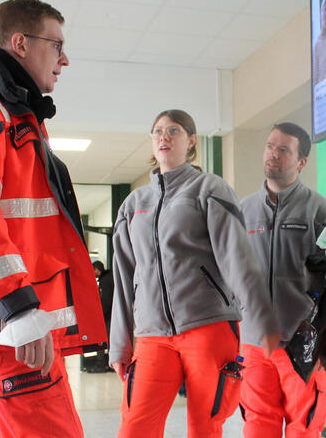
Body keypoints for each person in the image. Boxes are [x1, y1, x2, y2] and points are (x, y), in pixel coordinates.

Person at [0, 0, 107, 438]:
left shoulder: (13, 114)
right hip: (5, 330)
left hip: (1, 332)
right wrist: (20, 308)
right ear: (20, 44)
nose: (64, 60)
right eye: (56, 45)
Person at [109, 109, 279, 438]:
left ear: (191, 141)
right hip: (152, 333)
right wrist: (120, 343)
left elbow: (237, 259)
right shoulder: (133, 204)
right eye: (158, 131)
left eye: (173, 131)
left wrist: (261, 319)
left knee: (205, 426)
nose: (164, 137)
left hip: (208, 326)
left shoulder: (209, 189)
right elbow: (124, 276)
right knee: (135, 426)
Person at [239, 123, 326, 438]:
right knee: (258, 426)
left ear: (301, 162)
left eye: (284, 149)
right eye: (270, 146)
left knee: (305, 427)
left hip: (303, 342)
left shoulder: (321, 210)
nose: (273, 154)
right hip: (254, 343)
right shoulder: (243, 211)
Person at [84, 261, 114, 373]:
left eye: (93, 270)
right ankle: (112, 365)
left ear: (97, 269)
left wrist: (99, 316)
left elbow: (106, 300)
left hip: (107, 316)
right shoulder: (110, 277)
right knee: (110, 341)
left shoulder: (105, 281)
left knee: (101, 340)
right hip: (112, 315)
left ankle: (101, 365)